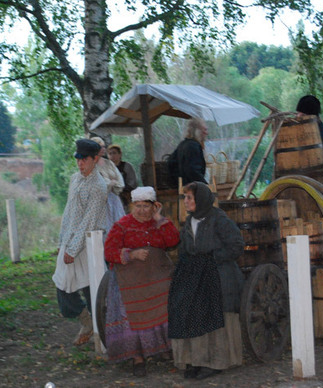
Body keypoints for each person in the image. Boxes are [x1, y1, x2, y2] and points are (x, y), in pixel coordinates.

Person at [167, 181, 244, 380]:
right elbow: (184, 250)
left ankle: (215, 361)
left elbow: (236, 246)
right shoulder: (189, 222)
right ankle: (195, 359)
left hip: (219, 274)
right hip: (197, 275)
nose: (185, 201)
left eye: (189, 198)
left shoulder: (219, 220)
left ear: (200, 199)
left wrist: (211, 258)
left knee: (210, 309)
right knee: (183, 305)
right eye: (185, 197)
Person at [103, 186, 180, 377]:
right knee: (133, 314)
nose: (142, 210)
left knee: (168, 301)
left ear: (154, 206)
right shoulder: (121, 226)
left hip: (157, 276)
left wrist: (159, 218)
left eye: (146, 206)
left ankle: (164, 348)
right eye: (138, 206)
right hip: (130, 281)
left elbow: (173, 241)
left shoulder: (159, 223)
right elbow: (109, 252)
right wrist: (131, 254)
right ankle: (137, 358)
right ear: (131, 206)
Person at [52, 138, 108, 346]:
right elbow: (69, 212)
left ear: (95, 159)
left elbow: (89, 221)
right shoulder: (75, 179)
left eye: (84, 159)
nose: (80, 163)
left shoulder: (99, 186)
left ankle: (103, 334)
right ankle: (86, 320)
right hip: (70, 240)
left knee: (92, 288)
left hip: (89, 244)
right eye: (78, 159)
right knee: (62, 284)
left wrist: (74, 249)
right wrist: (63, 241)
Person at [91, 136, 126, 230]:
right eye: (101, 147)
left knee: (118, 225)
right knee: (104, 228)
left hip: (113, 198)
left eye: (104, 146)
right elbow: (98, 183)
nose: (104, 149)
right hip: (100, 201)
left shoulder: (109, 163)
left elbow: (120, 181)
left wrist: (112, 183)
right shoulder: (91, 164)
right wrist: (110, 183)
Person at [168, 118, 208, 184]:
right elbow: (193, 171)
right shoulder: (193, 146)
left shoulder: (183, 144)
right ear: (197, 131)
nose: (206, 133)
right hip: (192, 187)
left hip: (184, 185)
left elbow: (171, 163)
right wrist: (205, 186)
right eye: (204, 129)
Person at [107, 144, 138, 208]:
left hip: (125, 196)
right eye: (110, 153)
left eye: (114, 153)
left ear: (120, 154)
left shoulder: (127, 166)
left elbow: (132, 183)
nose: (112, 156)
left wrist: (121, 189)